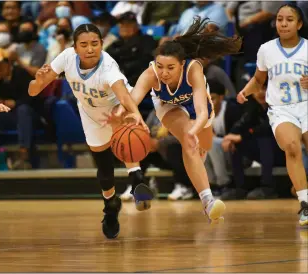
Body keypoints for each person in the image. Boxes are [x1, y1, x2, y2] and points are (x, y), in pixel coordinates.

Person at [28, 24, 154, 239]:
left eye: (95, 44)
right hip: (91, 115)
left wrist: (136, 115)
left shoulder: (108, 68)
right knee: (104, 168)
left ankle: (137, 177)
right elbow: (33, 91)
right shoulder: (66, 57)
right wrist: (38, 81)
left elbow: (124, 96)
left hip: (117, 108)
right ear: (75, 48)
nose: (90, 49)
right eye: (84, 44)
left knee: (124, 128)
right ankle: (111, 206)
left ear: (101, 44)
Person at [113, 17, 242, 223]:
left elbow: (200, 111)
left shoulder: (194, 69)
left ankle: (198, 181)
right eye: (160, 66)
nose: (164, 72)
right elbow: (133, 97)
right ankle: (208, 202)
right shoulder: (151, 74)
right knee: (189, 144)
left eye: (170, 68)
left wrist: (194, 129)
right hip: (169, 106)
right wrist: (122, 112)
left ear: (182, 64)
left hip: (199, 109)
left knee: (203, 145)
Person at [237, 3, 308, 226]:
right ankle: (305, 204)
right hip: (281, 109)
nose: (283, 23)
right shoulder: (266, 49)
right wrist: (245, 92)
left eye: (289, 19)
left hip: (307, 105)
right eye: (279, 19)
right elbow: (259, 79)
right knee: (293, 147)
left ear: (299, 24)